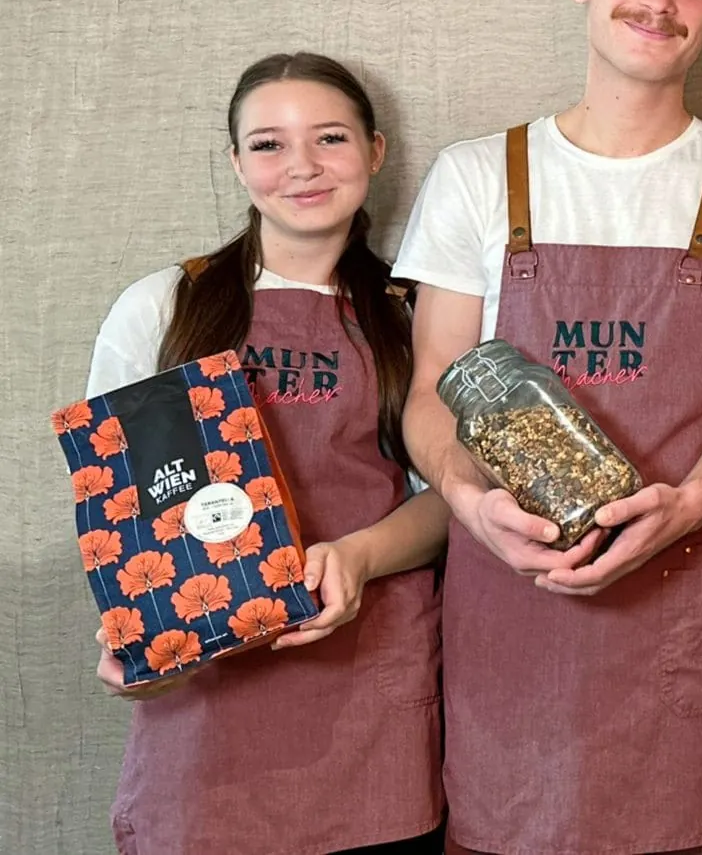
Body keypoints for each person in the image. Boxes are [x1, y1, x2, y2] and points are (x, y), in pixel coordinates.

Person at [394, 0, 702, 855]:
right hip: (508, 606)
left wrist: (687, 502)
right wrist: (469, 500)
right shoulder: (475, 177)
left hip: (679, 603)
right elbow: (429, 391)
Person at [86, 52, 446, 854]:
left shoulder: (417, 314)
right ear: (235, 162)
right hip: (204, 701)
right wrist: (131, 634)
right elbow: (118, 508)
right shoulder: (162, 307)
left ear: (375, 151)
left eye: (329, 138)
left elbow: (451, 499)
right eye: (269, 145)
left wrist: (355, 555)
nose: (303, 168)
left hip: (372, 693)